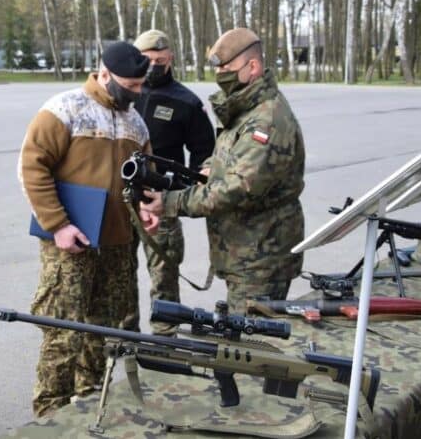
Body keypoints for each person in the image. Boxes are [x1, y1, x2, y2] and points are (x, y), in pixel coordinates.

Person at [18, 41, 157, 417]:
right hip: (70, 245)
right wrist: (59, 225)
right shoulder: (64, 110)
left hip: (116, 246)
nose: (138, 92)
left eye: (141, 84)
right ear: (105, 74)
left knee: (103, 330)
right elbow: (32, 168)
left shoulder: (135, 121)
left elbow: (138, 179)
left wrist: (145, 205)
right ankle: (49, 414)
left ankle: (89, 399)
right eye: (131, 85)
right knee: (63, 330)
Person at [140, 28, 305, 311]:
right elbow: (221, 160)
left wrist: (171, 202)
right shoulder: (246, 109)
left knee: (254, 344)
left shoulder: (266, 120)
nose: (221, 75)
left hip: (260, 256)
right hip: (246, 251)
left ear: (252, 66)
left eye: (227, 68)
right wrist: (206, 171)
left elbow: (239, 187)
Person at [125, 29, 215, 336]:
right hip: (120, 199)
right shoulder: (123, 94)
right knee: (120, 275)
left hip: (160, 200)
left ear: (170, 59)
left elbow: (205, 156)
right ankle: (124, 336)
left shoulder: (186, 101)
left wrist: (182, 193)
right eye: (146, 60)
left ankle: (165, 336)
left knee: (163, 274)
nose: (152, 66)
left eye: (159, 60)